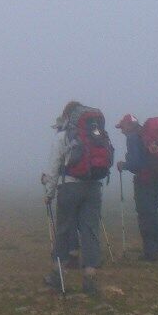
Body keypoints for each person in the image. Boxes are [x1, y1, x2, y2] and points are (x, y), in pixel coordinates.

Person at [43, 101, 113, 295]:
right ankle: (90, 277)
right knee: (90, 231)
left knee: (64, 230)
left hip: (70, 186)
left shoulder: (64, 135)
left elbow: (54, 165)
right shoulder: (95, 134)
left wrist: (49, 193)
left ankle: (58, 275)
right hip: (93, 187)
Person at [115, 113, 158, 261]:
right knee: (152, 212)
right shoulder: (146, 136)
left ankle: (150, 252)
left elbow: (136, 163)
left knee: (145, 215)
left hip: (145, 181)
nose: (121, 130)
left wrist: (123, 165)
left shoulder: (133, 138)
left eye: (123, 127)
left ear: (129, 125)